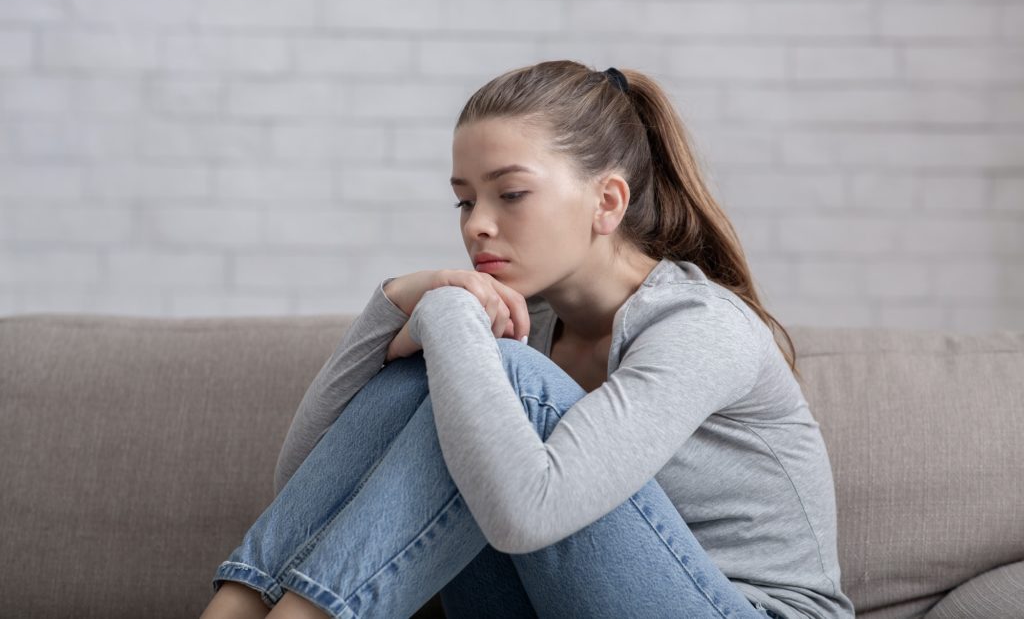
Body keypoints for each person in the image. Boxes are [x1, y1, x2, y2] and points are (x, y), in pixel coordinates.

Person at [201, 61, 856, 619]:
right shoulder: (530, 319)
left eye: (510, 193)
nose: (478, 225)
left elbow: (528, 515)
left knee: (498, 372)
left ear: (608, 203)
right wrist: (400, 298)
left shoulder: (701, 326)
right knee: (451, 377)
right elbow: (308, 481)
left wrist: (448, 310)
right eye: (464, 201)